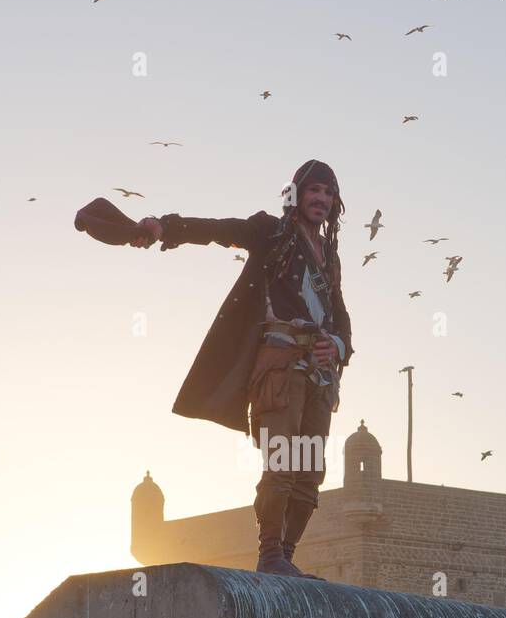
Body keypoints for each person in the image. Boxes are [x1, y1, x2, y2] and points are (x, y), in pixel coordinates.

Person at [127, 160, 354, 576]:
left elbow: (341, 317)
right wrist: (165, 226)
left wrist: (336, 345)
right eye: (314, 190)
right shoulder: (272, 232)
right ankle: (269, 555)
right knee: (282, 463)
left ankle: (285, 557)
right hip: (279, 369)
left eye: (328, 193)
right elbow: (219, 230)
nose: (321, 199)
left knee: (309, 474)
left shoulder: (329, 257)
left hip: (320, 378)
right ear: (297, 195)